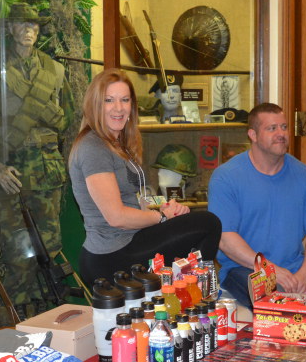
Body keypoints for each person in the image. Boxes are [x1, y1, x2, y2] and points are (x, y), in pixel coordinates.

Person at [69, 69, 221, 285]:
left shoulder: (117, 143)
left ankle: (186, 290)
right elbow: (117, 218)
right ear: (95, 105)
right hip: (111, 255)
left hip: (131, 240)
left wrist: (165, 209)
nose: (118, 108)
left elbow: (134, 199)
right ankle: (196, 291)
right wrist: (162, 217)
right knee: (208, 223)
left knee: (196, 225)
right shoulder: (93, 148)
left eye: (125, 100)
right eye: (109, 100)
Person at [208, 102, 306, 341]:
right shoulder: (226, 177)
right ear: (253, 135)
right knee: (287, 309)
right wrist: (270, 271)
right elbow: (226, 239)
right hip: (245, 269)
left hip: (295, 267)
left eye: (283, 127)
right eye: (272, 128)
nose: (281, 133)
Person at [0, 3, 70, 323]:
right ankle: (17, 321)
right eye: (21, 24)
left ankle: (47, 318)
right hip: (13, 171)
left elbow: (68, 119)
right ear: (10, 29)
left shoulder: (55, 71)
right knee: (17, 252)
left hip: (48, 170)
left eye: (33, 25)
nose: (28, 30)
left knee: (49, 248)